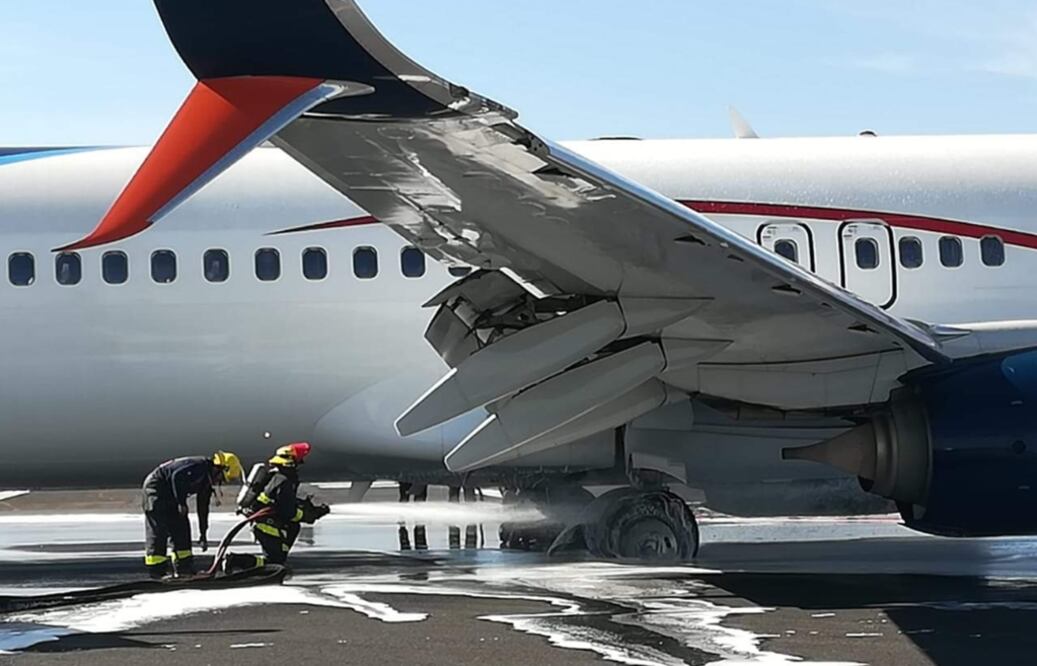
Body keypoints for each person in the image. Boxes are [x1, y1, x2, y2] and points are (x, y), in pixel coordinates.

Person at [227, 442, 329, 571]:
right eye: (297, 463)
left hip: (265, 523)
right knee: (274, 561)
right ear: (290, 463)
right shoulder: (284, 482)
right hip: (268, 526)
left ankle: (246, 563)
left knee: (275, 559)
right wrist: (311, 515)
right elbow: (288, 512)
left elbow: (281, 501)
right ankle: (235, 561)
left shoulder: (276, 477)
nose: (298, 466)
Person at [142, 451, 243, 578]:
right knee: (159, 530)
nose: (219, 481)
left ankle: (184, 569)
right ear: (219, 468)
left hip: (171, 495)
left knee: (181, 529)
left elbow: (203, 508)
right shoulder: (198, 466)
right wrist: (181, 503)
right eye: (221, 477)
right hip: (155, 491)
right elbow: (176, 477)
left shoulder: (206, 480)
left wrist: (203, 533)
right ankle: (157, 571)